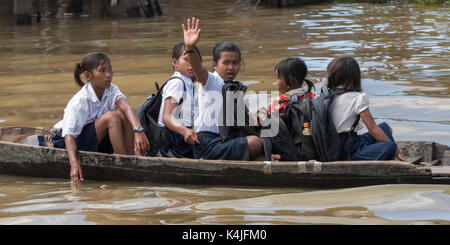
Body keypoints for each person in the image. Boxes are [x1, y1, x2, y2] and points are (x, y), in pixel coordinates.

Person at [52, 52, 150, 183]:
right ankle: (124, 166)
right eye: (102, 71)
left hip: (96, 139)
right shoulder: (80, 100)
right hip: (69, 143)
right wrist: (74, 164)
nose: (108, 75)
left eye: (110, 69)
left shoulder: (111, 89)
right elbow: (69, 135)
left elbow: (126, 107)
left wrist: (139, 131)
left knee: (121, 113)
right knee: (112, 117)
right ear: (88, 75)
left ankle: (129, 159)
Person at [182, 17, 264, 161]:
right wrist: (190, 48)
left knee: (263, 149)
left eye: (235, 63)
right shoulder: (211, 80)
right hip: (207, 143)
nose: (231, 67)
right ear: (214, 65)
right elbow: (198, 68)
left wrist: (256, 115)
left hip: (224, 140)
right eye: (225, 63)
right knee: (255, 143)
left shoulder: (233, 87)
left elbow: (241, 110)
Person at [327, 56, 407, 161]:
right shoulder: (358, 97)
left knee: (385, 128)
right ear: (354, 77)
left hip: (331, 147)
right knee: (391, 147)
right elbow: (373, 129)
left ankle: (391, 156)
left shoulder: (325, 96)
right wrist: (397, 152)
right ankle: (393, 158)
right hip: (348, 151)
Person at [157, 41, 200, 158]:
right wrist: (184, 131)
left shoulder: (188, 81)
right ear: (175, 62)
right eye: (186, 59)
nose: (191, 64)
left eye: (194, 60)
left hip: (177, 135)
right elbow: (166, 117)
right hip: (173, 139)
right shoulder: (177, 83)